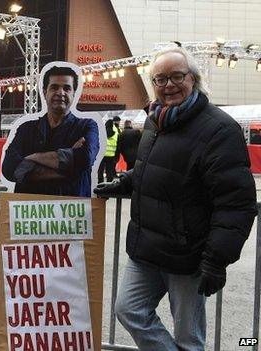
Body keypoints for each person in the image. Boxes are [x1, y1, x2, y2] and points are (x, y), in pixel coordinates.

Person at [94, 47, 256, 350]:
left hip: (188, 256)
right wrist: (125, 183)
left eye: (177, 76)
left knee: (189, 338)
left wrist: (216, 260)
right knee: (128, 310)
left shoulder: (219, 129)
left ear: (193, 79)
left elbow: (236, 203)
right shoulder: (156, 120)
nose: (168, 85)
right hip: (146, 249)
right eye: (160, 79)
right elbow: (152, 170)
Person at [2, 64, 99, 197]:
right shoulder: (26, 129)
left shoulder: (87, 127)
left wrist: (32, 158)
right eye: (54, 87)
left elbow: (85, 158)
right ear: (44, 91)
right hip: (31, 213)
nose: (60, 93)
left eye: (67, 88)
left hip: (70, 214)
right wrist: (69, 168)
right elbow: (9, 169)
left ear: (74, 93)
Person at [97, 118, 119, 183]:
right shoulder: (116, 133)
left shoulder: (102, 132)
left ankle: (100, 184)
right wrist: (117, 156)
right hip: (111, 155)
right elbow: (118, 145)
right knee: (109, 171)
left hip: (102, 155)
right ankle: (109, 185)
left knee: (100, 170)